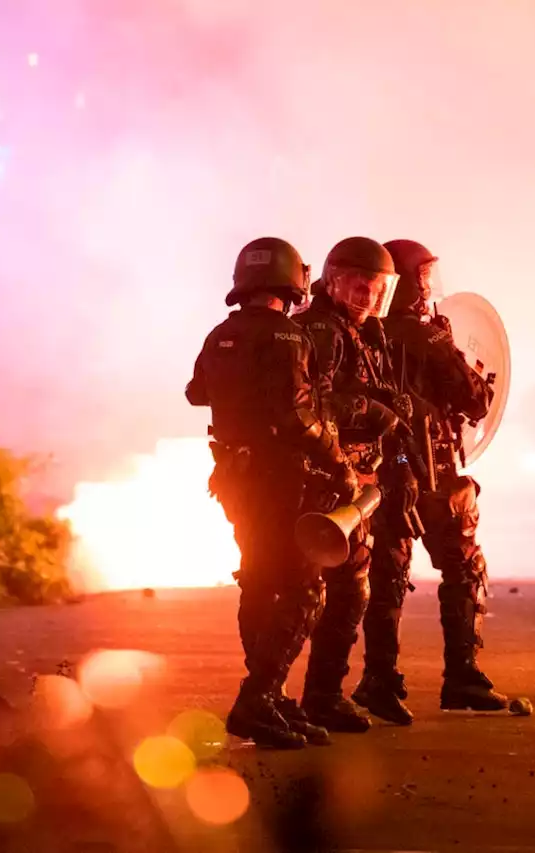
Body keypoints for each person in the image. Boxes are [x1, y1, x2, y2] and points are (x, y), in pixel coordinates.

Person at [186, 237, 358, 750]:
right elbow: (298, 418)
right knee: (305, 588)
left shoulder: (220, 334)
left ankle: (273, 696)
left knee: (258, 583)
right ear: (292, 281)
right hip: (281, 477)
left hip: (235, 478)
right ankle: (257, 697)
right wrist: (341, 462)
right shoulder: (289, 335)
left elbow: (197, 393)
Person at [350, 238, 512, 725]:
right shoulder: (428, 338)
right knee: (464, 568)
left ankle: (378, 679)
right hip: (432, 472)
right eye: (423, 278)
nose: (428, 289)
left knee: (385, 579)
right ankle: (462, 676)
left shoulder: (362, 333)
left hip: (382, 475)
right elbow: (475, 400)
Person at [292, 236, 417, 733]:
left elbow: (390, 421)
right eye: (358, 284)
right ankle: (304, 697)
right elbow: (311, 405)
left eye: (377, 287)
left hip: (356, 477)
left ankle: (320, 696)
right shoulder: (320, 330)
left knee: (350, 589)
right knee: (310, 591)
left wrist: (401, 463)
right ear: (334, 280)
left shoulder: (369, 335)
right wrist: (373, 411)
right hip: (319, 477)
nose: (368, 294)